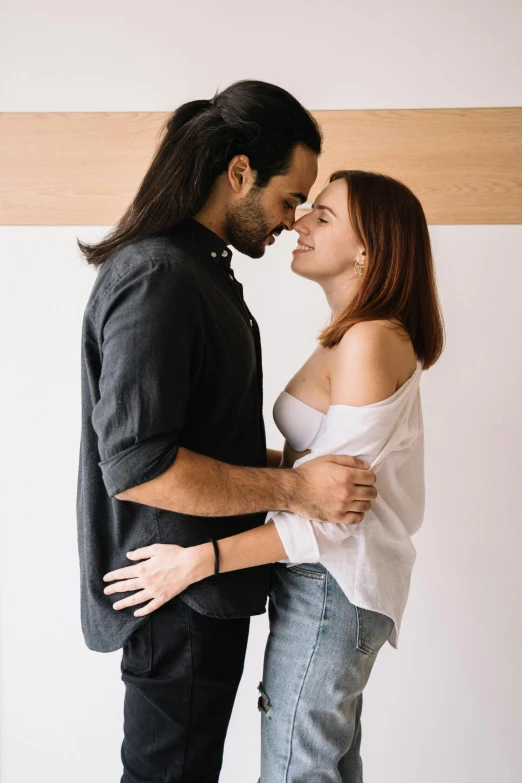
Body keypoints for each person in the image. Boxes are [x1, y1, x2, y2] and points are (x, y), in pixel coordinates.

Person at [77, 81, 378, 783]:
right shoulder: (161, 276)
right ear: (239, 172)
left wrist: (302, 469)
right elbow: (141, 464)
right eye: (289, 198)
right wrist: (297, 487)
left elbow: (195, 440)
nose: (292, 220)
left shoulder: (200, 273)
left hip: (200, 595)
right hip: (176, 599)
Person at [103, 170, 445, 782]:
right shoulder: (349, 335)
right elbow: (310, 477)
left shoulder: (369, 340)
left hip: (332, 582)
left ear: (368, 247)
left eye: (323, 215)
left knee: (297, 767)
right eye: (304, 207)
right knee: (321, 763)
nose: (298, 222)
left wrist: (198, 560)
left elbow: (332, 514)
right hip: (323, 583)